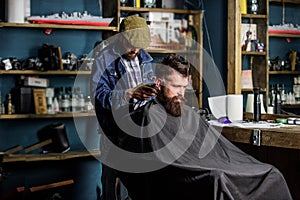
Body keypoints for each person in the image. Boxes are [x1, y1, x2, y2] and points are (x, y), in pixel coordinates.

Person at [110, 54, 292, 200]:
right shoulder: (147, 116)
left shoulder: (187, 114)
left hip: (205, 166)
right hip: (176, 177)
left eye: (184, 87)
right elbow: (152, 165)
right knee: (217, 179)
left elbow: (219, 150)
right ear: (159, 83)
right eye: (175, 86)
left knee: (271, 173)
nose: (180, 93)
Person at [91, 15, 157, 200]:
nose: (135, 49)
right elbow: (98, 96)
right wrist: (128, 94)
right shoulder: (103, 60)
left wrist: (153, 91)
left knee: (139, 184)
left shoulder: (144, 58)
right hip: (113, 133)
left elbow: (149, 89)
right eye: (131, 43)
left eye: (139, 45)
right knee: (111, 186)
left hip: (140, 132)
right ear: (120, 37)